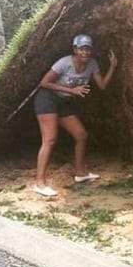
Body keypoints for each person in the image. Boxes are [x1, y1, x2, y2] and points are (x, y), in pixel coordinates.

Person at [32, 34, 117, 197]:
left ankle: (80, 173)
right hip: (47, 99)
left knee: (81, 135)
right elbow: (44, 83)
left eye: (88, 49)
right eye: (81, 49)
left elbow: (102, 86)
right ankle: (39, 183)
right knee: (49, 139)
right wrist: (72, 90)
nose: (85, 52)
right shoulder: (64, 63)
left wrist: (113, 66)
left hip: (63, 103)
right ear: (75, 49)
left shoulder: (92, 64)